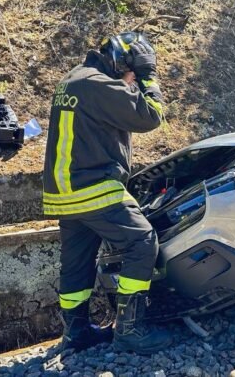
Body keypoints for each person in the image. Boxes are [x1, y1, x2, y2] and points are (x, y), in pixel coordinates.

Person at [42, 32, 173, 354]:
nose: (131, 83)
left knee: (76, 263)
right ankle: (130, 330)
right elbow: (151, 116)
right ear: (121, 64)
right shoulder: (99, 84)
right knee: (142, 241)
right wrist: (149, 77)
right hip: (92, 186)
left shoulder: (73, 80)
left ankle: (76, 333)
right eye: (131, 75)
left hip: (65, 191)